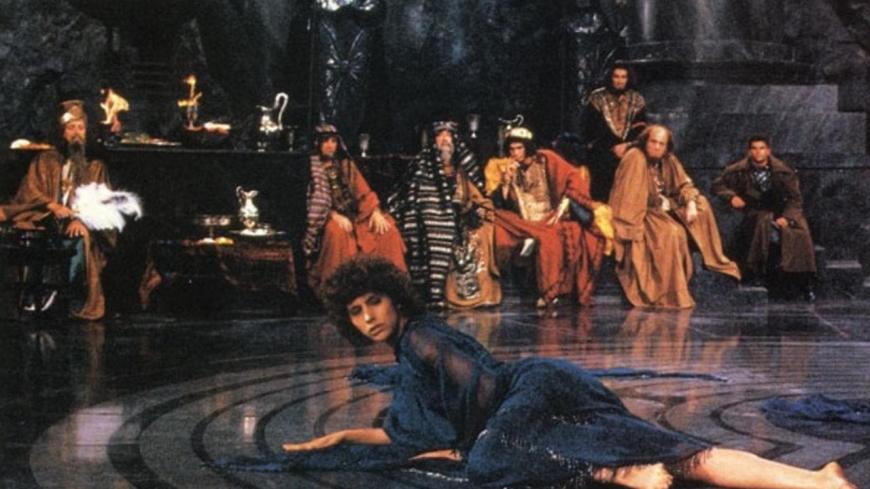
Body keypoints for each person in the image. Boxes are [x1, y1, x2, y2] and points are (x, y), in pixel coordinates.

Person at [278, 256, 857, 489]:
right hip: (527, 398)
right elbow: (411, 430)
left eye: (373, 302)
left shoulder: (421, 339)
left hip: (529, 393)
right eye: (356, 312)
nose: (368, 317)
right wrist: (343, 435)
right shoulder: (407, 349)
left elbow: (482, 386)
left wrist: (474, 442)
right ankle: (818, 481)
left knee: (485, 460)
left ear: (394, 298)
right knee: (683, 455)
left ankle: (617, 471)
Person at [0, 100, 114, 320]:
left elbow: (104, 205)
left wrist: (82, 220)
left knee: (80, 236)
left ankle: (72, 301)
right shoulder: (45, 160)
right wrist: (51, 205)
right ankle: (33, 300)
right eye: (71, 128)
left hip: (79, 226)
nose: (76, 133)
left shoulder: (95, 167)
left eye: (80, 128)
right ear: (62, 132)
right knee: (25, 231)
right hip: (45, 220)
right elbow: (29, 191)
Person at [609, 125, 740, 309]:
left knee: (701, 205)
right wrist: (631, 232)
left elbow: (684, 185)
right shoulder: (635, 157)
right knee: (672, 232)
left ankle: (710, 259)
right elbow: (628, 200)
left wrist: (690, 202)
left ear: (666, 147)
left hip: (664, 207)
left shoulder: (667, 159)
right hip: (643, 213)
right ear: (645, 142)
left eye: (661, 144)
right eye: (653, 142)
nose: (657, 147)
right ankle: (670, 291)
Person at [484, 126, 612, 307]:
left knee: (553, 238)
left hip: (550, 217)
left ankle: (549, 292)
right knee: (496, 217)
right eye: (511, 149)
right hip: (525, 220)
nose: (515, 153)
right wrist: (506, 182)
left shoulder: (546, 158)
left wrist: (564, 204)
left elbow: (572, 177)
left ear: (527, 147)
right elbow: (501, 202)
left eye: (519, 148)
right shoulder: (504, 168)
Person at [387, 120, 500, 308]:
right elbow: (412, 194)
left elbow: (478, 195)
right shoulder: (422, 164)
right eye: (440, 135)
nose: (444, 139)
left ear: (455, 140)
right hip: (430, 216)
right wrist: (436, 211)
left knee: (479, 234)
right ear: (434, 140)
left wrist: (473, 209)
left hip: (462, 216)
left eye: (448, 135)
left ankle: (478, 295)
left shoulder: (464, 165)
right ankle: (437, 293)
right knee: (434, 232)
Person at [302, 123, 407, 292]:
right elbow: (312, 204)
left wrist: (375, 212)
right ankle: (340, 291)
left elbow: (363, 192)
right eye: (326, 141)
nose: (330, 145)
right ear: (317, 144)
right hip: (327, 220)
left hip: (356, 217)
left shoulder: (346, 165)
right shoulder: (310, 168)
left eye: (333, 141)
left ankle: (392, 288)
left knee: (388, 230)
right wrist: (332, 215)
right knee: (338, 233)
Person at [711, 136, 816, 299]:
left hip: (783, 212)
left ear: (768, 151)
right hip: (756, 212)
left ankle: (804, 282)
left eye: (762, 148)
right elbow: (718, 185)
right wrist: (731, 197)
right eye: (754, 148)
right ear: (749, 151)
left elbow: (795, 199)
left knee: (799, 235)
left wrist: (787, 217)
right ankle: (756, 273)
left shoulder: (783, 172)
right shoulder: (738, 170)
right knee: (762, 228)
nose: (758, 152)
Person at [583, 61, 647, 201]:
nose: (619, 81)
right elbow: (591, 129)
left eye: (623, 77)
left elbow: (640, 129)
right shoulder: (597, 98)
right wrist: (613, 146)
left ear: (628, 79)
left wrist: (627, 145)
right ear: (610, 77)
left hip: (629, 149)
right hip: (602, 149)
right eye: (616, 76)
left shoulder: (637, 100)